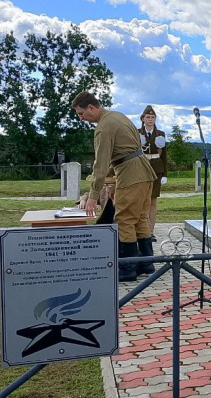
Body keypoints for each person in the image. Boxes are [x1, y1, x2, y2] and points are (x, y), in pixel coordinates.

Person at [72, 91, 157, 282]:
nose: (82, 118)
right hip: (144, 172)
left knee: (124, 219)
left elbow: (100, 164)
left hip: (131, 175)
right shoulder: (118, 116)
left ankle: (127, 269)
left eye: (81, 113)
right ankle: (146, 263)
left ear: (91, 108)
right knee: (140, 217)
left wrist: (93, 196)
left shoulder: (103, 127)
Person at [139, 105, 168, 239]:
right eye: (148, 117)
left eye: (153, 117)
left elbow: (164, 156)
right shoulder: (138, 133)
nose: (150, 119)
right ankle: (142, 228)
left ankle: (150, 231)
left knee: (152, 201)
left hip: (156, 169)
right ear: (143, 118)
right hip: (142, 167)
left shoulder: (160, 134)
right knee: (141, 200)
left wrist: (165, 174)